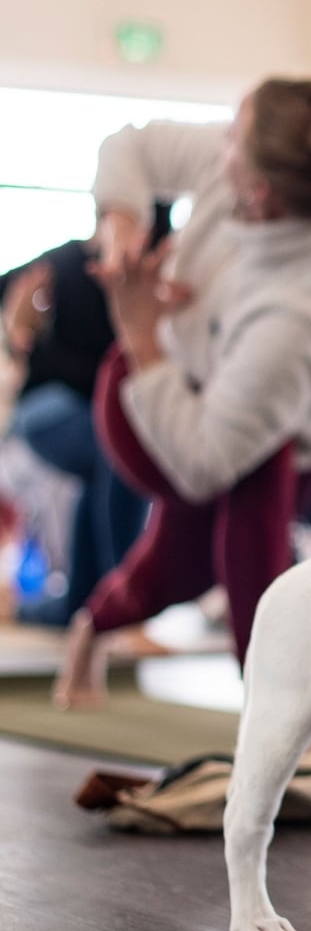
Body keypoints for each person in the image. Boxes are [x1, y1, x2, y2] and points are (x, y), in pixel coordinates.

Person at [54, 77, 311, 708]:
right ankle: (281, 704)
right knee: (239, 525)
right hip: (150, 403)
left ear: (258, 191)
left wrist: (141, 330)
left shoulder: (305, 307)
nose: (218, 142)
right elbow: (129, 145)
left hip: (241, 433)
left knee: (194, 553)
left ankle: (93, 631)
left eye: (232, 137)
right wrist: (122, 225)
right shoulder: (242, 166)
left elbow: (207, 464)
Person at [0, 215, 170, 625]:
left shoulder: (149, 275)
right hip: (45, 408)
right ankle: (122, 600)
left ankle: (85, 603)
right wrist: (22, 333)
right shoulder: (66, 264)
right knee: (116, 445)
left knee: (108, 459)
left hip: (88, 409)